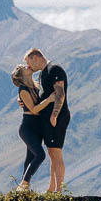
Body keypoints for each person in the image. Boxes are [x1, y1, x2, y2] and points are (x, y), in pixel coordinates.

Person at [25, 48, 69, 193]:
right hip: (47, 119)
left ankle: (59, 191)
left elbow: (60, 93)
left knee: (56, 153)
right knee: (52, 153)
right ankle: (52, 189)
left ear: (35, 57)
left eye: (28, 61)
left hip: (56, 118)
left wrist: (54, 115)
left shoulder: (54, 69)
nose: (28, 66)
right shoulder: (43, 73)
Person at [12, 63, 55, 190]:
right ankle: (24, 184)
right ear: (21, 75)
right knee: (40, 155)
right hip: (28, 127)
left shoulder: (35, 86)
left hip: (38, 127)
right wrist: (50, 100)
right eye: (23, 67)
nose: (27, 66)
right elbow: (35, 109)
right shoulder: (23, 89)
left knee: (30, 157)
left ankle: (23, 189)